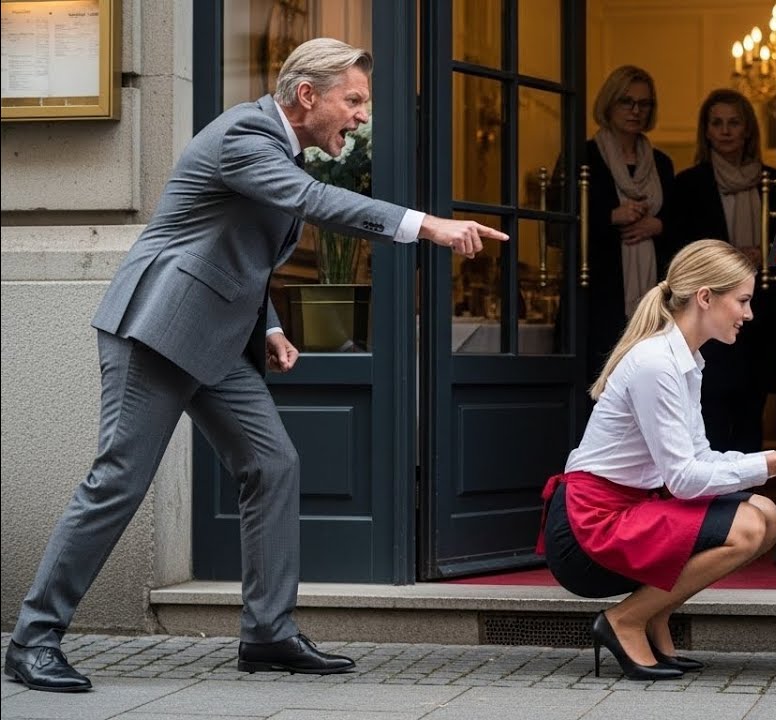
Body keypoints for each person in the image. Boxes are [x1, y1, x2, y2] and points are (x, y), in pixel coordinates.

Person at [2, 38, 506, 693]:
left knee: (272, 465)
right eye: (354, 100)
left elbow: (232, 247)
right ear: (308, 95)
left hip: (217, 340)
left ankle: (268, 634)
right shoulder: (245, 135)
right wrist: (426, 226)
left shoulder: (276, 148)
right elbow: (316, 202)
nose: (361, 117)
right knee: (118, 480)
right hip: (158, 330)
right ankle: (34, 639)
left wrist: (266, 325)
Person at [536, 239, 776, 681]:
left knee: (767, 515)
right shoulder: (656, 363)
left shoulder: (685, 358)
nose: (749, 314)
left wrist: (775, 458)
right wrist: (773, 463)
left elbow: (699, 457)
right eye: (743, 301)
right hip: (589, 527)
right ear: (705, 297)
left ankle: (654, 615)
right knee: (748, 526)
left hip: (629, 508)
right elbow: (683, 479)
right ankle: (626, 620)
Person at [669, 88, 776, 452]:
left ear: (748, 129)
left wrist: (765, 254)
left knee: (751, 413)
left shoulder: (775, 181)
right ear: (706, 131)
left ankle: (752, 485)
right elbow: (681, 251)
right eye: (717, 123)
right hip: (709, 312)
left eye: (734, 123)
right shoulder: (688, 184)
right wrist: (730, 259)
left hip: (762, 313)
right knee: (710, 412)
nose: (726, 131)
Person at [582, 65, 678, 378]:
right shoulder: (583, 157)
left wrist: (658, 226)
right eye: (627, 102)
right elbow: (561, 227)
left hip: (655, 297)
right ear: (609, 104)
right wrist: (611, 216)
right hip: (600, 294)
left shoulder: (662, 163)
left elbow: (682, 227)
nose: (636, 111)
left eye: (644, 103)